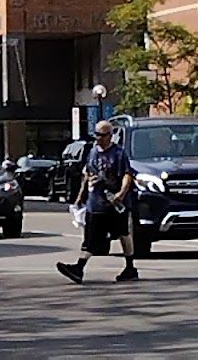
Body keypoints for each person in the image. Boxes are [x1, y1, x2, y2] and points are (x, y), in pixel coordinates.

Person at [57, 121, 138, 284]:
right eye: (96, 134)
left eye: (102, 135)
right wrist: (81, 196)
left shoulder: (118, 153)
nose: (98, 138)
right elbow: (87, 174)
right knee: (91, 236)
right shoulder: (93, 152)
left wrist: (121, 194)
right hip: (96, 202)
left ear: (110, 136)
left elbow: (127, 175)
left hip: (114, 203)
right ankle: (78, 268)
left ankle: (130, 267)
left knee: (123, 233)